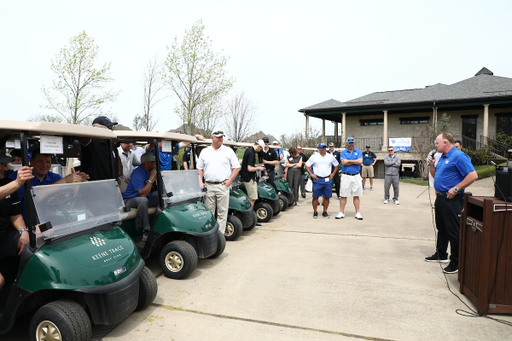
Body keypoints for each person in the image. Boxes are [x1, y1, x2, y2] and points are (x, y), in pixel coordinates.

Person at [425, 132, 477, 274]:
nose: (435, 145)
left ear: (445, 143)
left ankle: (456, 261)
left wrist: (456, 188)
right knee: (441, 227)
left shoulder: (459, 156)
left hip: (452, 199)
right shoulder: (442, 157)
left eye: (437, 142)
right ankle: (441, 254)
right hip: (441, 198)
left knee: (454, 231)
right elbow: (436, 176)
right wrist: (431, 165)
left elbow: (473, 175)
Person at [10, 150, 89, 218]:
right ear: (31, 161)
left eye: (48, 162)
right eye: (40, 161)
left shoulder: (54, 177)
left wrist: (75, 184)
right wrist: (65, 180)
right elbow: (37, 196)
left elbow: (69, 196)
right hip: (26, 220)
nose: (44, 165)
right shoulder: (19, 177)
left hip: (48, 217)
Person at [197, 130, 241, 234]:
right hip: (208, 185)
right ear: (212, 138)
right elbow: (199, 168)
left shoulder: (228, 151)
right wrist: (200, 181)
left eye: (221, 137)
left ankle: (220, 236)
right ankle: (211, 234)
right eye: (218, 137)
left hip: (222, 185)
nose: (220, 138)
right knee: (209, 212)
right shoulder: (205, 151)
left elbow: (237, 167)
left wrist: (230, 181)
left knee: (222, 213)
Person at [0, 154, 33, 290]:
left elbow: (15, 215)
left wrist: (23, 232)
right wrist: (17, 183)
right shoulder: (12, 184)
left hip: (4, 234)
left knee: (35, 246)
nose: (5, 167)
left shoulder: (7, 182)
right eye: (1, 164)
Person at [123, 152, 160, 242]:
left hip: (146, 197)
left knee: (162, 197)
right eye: (153, 162)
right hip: (129, 200)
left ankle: (160, 225)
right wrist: (151, 178)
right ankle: (146, 230)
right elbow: (142, 194)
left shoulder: (152, 171)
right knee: (143, 200)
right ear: (146, 162)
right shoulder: (137, 173)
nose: (155, 163)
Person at [80, 116, 122, 181]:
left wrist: (119, 176)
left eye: (111, 128)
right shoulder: (91, 142)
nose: (110, 130)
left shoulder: (111, 143)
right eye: (108, 127)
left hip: (111, 185)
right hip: (94, 185)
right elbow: (83, 138)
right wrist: (93, 127)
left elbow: (117, 159)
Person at [305, 142, 339, 219]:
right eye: (322, 147)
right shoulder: (314, 156)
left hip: (327, 179)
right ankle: (315, 211)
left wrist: (333, 174)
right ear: (318, 149)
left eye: (324, 147)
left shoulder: (330, 156)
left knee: (327, 196)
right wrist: (311, 174)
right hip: (318, 179)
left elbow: (336, 165)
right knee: (315, 196)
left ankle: (325, 211)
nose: (324, 149)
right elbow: (307, 165)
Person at [336, 137, 364, 220]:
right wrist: (354, 161)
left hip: (356, 175)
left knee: (356, 195)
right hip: (346, 175)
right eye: (349, 142)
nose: (351, 144)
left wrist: (349, 161)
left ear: (354, 143)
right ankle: (341, 212)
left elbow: (360, 161)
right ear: (347, 143)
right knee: (343, 194)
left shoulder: (358, 152)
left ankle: (357, 212)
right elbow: (343, 162)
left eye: (352, 142)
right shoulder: (343, 152)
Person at [240, 140, 266, 207]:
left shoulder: (249, 150)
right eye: (260, 149)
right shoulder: (251, 153)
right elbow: (249, 168)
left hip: (248, 177)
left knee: (253, 198)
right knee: (252, 199)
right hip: (249, 178)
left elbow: (249, 165)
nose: (260, 151)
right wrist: (259, 168)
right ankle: (249, 214)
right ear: (259, 146)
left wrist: (256, 166)